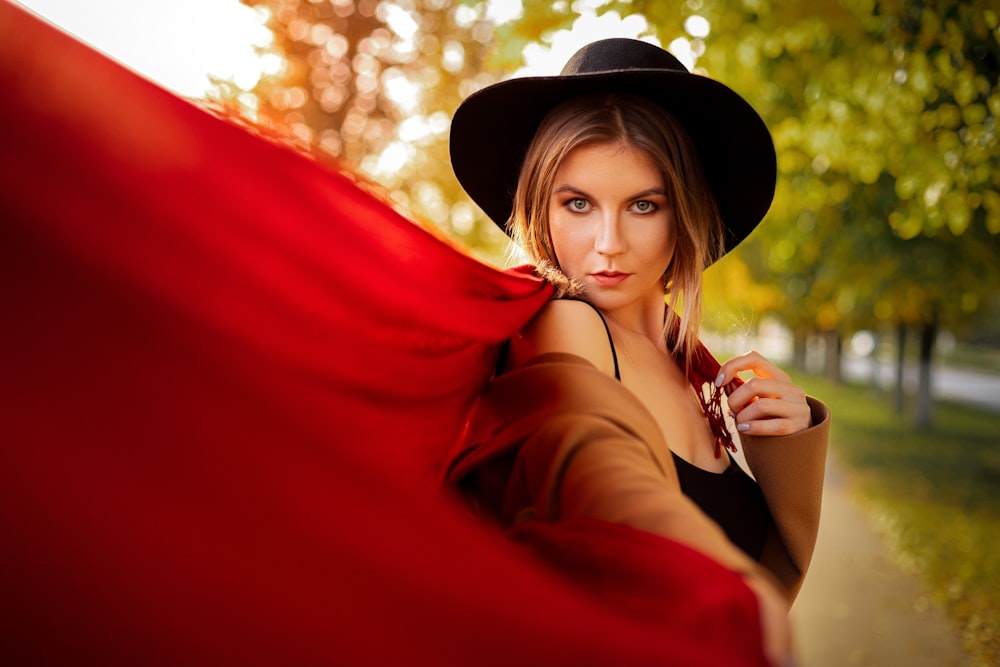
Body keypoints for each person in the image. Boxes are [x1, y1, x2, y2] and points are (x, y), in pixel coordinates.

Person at [446, 37, 830, 658]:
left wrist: (788, 444)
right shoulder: (566, 328)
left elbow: (769, 567)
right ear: (539, 209)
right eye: (578, 203)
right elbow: (594, 473)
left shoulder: (694, 366)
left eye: (644, 206)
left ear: (686, 216)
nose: (608, 244)